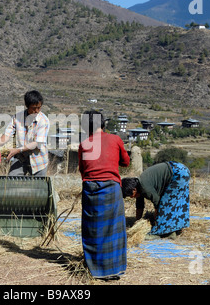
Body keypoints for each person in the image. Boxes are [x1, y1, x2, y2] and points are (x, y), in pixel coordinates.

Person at [78, 110, 130, 280]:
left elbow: (83, 170)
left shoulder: (84, 144)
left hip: (90, 189)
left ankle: (95, 269)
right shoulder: (115, 139)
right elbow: (126, 161)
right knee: (114, 230)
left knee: (92, 229)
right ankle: (113, 269)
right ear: (104, 124)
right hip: (111, 189)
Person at [122, 161, 191, 240]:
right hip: (181, 170)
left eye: (130, 195)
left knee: (166, 204)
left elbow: (157, 204)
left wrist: (156, 221)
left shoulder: (145, 187)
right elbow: (139, 207)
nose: (131, 197)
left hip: (177, 174)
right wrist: (137, 224)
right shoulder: (138, 185)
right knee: (175, 203)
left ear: (134, 190)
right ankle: (172, 231)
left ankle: (158, 232)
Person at [0, 90, 49, 176]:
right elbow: (7, 136)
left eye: (39, 107)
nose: (37, 111)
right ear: (27, 106)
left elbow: (37, 143)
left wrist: (18, 150)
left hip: (38, 160)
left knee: (38, 187)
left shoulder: (43, 121)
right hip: (21, 157)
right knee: (12, 180)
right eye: (34, 108)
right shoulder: (17, 117)